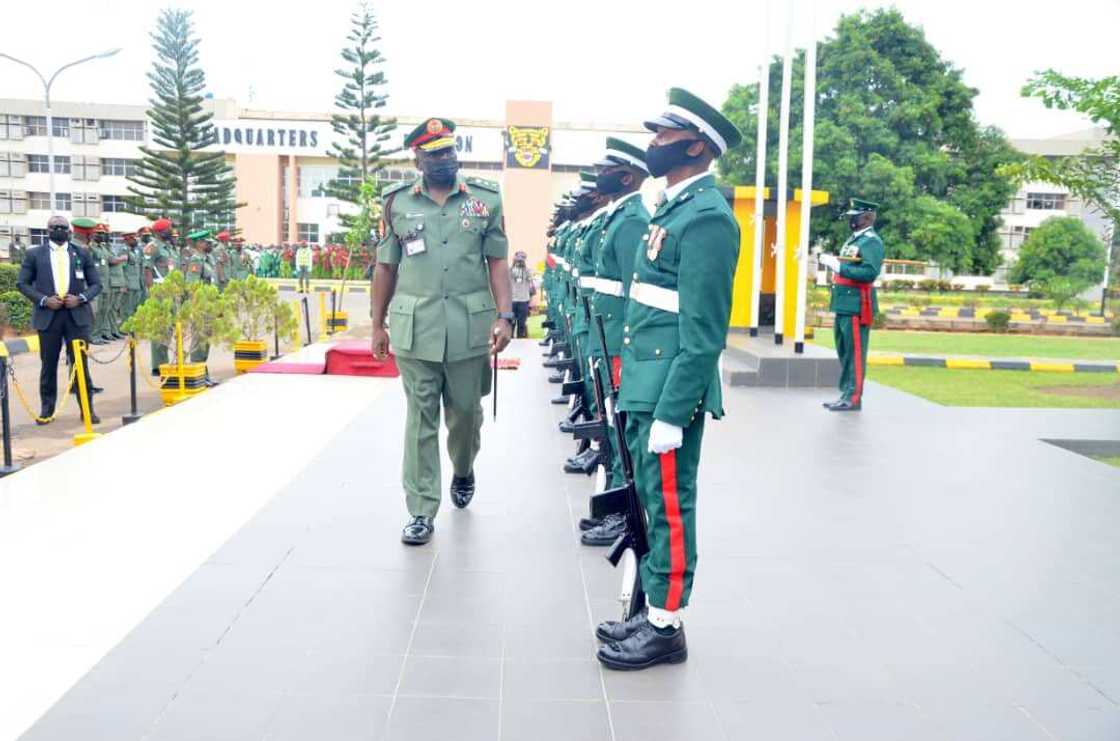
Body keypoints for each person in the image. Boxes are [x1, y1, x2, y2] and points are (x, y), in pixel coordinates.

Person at [595, 88, 742, 671]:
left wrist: (671, 412)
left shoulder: (707, 218)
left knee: (672, 505)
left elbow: (703, 334)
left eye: (663, 136)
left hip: (668, 393)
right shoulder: (674, 208)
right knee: (651, 502)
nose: (653, 145)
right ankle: (648, 609)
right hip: (646, 384)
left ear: (697, 146)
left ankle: (665, 625)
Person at [370, 117, 513, 546]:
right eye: (436, 153)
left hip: (470, 327)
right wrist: (377, 325)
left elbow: (498, 262)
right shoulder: (396, 204)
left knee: (467, 414)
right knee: (421, 419)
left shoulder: (484, 199)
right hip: (417, 328)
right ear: (417, 158)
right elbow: (385, 266)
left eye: (450, 150)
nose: (446, 159)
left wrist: (506, 316)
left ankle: (464, 468)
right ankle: (420, 509)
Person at [580, 137, 652, 547]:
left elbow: (632, 290)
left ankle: (625, 517)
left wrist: (625, 348)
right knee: (610, 419)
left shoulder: (632, 221)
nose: (599, 176)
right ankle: (617, 507)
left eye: (608, 169)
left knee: (623, 429)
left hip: (617, 338)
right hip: (603, 333)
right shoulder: (618, 217)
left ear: (626, 176)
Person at [17, 216, 101, 425]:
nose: (60, 231)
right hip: (49, 316)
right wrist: (44, 300)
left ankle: (87, 410)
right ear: (48, 230)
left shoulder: (81, 252)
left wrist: (80, 298)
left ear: (70, 231)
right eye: (56, 227)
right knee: (48, 365)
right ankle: (47, 410)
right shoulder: (34, 254)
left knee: (80, 365)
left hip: (76, 315)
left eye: (64, 228)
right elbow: (23, 283)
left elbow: (96, 284)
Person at [819, 198, 885, 412]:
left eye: (855, 216)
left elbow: (869, 272)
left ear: (867, 217)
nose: (851, 219)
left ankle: (854, 397)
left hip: (857, 305)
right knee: (845, 352)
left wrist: (838, 267)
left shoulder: (871, 241)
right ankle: (845, 393)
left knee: (855, 353)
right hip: (843, 303)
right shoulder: (852, 241)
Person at [144, 218, 176, 376]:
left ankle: (164, 360)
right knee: (159, 328)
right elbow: (147, 270)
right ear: (159, 232)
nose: (171, 231)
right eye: (168, 229)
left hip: (169, 289)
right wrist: (152, 292)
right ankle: (158, 365)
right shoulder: (153, 247)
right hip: (159, 290)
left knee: (168, 327)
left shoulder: (168, 247)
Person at [509, 250, 533, 338]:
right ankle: (510, 341)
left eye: (522, 259)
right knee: (511, 323)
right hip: (512, 300)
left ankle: (521, 340)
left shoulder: (527, 271)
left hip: (523, 300)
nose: (520, 262)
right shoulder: (510, 270)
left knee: (521, 324)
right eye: (518, 259)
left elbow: (532, 284)